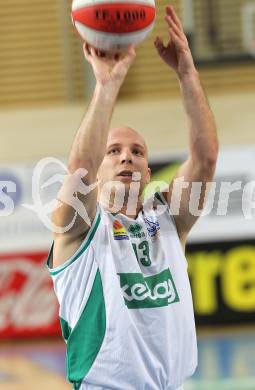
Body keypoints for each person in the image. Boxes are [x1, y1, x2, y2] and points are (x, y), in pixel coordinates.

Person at [47, 4, 218, 390]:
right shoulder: (77, 231)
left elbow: (205, 159)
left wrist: (188, 74)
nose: (127, 156)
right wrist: (106, 85)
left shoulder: (169, 219)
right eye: (114, 151)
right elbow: (80, 172)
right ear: (101, 166)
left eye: (138, 152)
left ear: (148, 173)